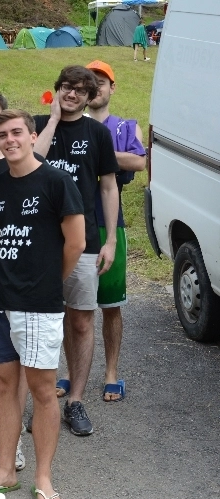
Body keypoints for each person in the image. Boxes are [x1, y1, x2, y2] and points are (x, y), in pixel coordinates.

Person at [0, 109, 84, 499]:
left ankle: (43, 477)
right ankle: (5, 471)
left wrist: (50, 282)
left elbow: (76, 242)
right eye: (2, 134)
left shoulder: (56, 180)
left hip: (37, 305)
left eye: (16, 132)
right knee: (3, 386)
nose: (9, 140)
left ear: (33, 135)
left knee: (42, 391)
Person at [34, 66, 120, 436]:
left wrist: (111, 240)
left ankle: (75, 401)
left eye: (80, 90)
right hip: (38, 242)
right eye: (67, 87)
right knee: (38, 323)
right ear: (57, 89)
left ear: (89, 97)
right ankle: (41, 403)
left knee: (81, 320)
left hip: (83, 241)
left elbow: (108, 186)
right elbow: (32, 162)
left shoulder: (97, 133)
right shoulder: (37, 124)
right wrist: (53, 120)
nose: (72, 94)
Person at [85, 60, 146, 402]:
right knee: (70, 307)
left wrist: (98, 151)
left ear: (112, 87)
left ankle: (111, 373)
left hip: (109, 224)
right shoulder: (68, 126)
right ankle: (70, 372)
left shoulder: (125, 126)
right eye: (89, 81)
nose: (95, 86)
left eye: (102, 81)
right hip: (72, 225)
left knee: (111, 305)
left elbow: (139, 161)